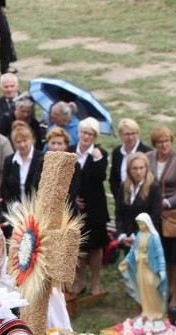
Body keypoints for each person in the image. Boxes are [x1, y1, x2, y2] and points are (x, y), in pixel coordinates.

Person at [146, 125, 176, 308]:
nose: (164, 145)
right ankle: (163, 289)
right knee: (161, 253)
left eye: (166, 140)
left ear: (171, 140)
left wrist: (168, 202)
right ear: (154, 143)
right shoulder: (148, 158)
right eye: (159, 141)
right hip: (155, 215)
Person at [70, 117, 109, 296]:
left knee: (94, 247)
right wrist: (73, 198)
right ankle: (80, 281)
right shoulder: (70, 151)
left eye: (90, 134)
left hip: (95, 208)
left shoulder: (100, 153)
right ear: (78, 133)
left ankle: (95, 283)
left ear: (95, 136)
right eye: (84, 132)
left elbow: (100, 178)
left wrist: (98, 160)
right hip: (75, 208)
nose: (86, 136)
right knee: (78, 248)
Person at [118, 213, 167, 321]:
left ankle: (155, 311)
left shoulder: (154, 237)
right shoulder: (139, 235)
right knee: (142, 287)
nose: (141, 226)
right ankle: (146, 310)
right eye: (139, 224)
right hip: (140, 266)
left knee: (151, 286)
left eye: (142, 224)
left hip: (150, 266)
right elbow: (133, 250)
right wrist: (126, 261)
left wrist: (162, 269)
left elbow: (159, 253)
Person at [115, 152, 162, 248]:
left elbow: (154, 216)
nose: (138, 172)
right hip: (127, 238)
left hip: (147, 239)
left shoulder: (154, 187)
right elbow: (119, 212)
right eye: (135, 168)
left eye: (141, 168)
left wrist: (135, 236)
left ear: (147, 168)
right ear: (129, 170)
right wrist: (122, 234)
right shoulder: (124, 186)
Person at [0, 120, 44, 218]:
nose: (22, 145)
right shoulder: (9, 160)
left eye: (25, 140)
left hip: (38, 212)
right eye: (18, 142)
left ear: (32, 140)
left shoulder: (42, 158)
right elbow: (4, 188)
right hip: (17, 213)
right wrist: (15, 205)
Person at [110, 118, 153, 210]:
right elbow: (113, 178)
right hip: (122, 202)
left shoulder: (147, 152)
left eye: (133, 133)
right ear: (120, 135)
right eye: (127, 134)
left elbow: (150, 178)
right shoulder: (117, 152)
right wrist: (119, 196)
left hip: (142, 202)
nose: (130, 137)